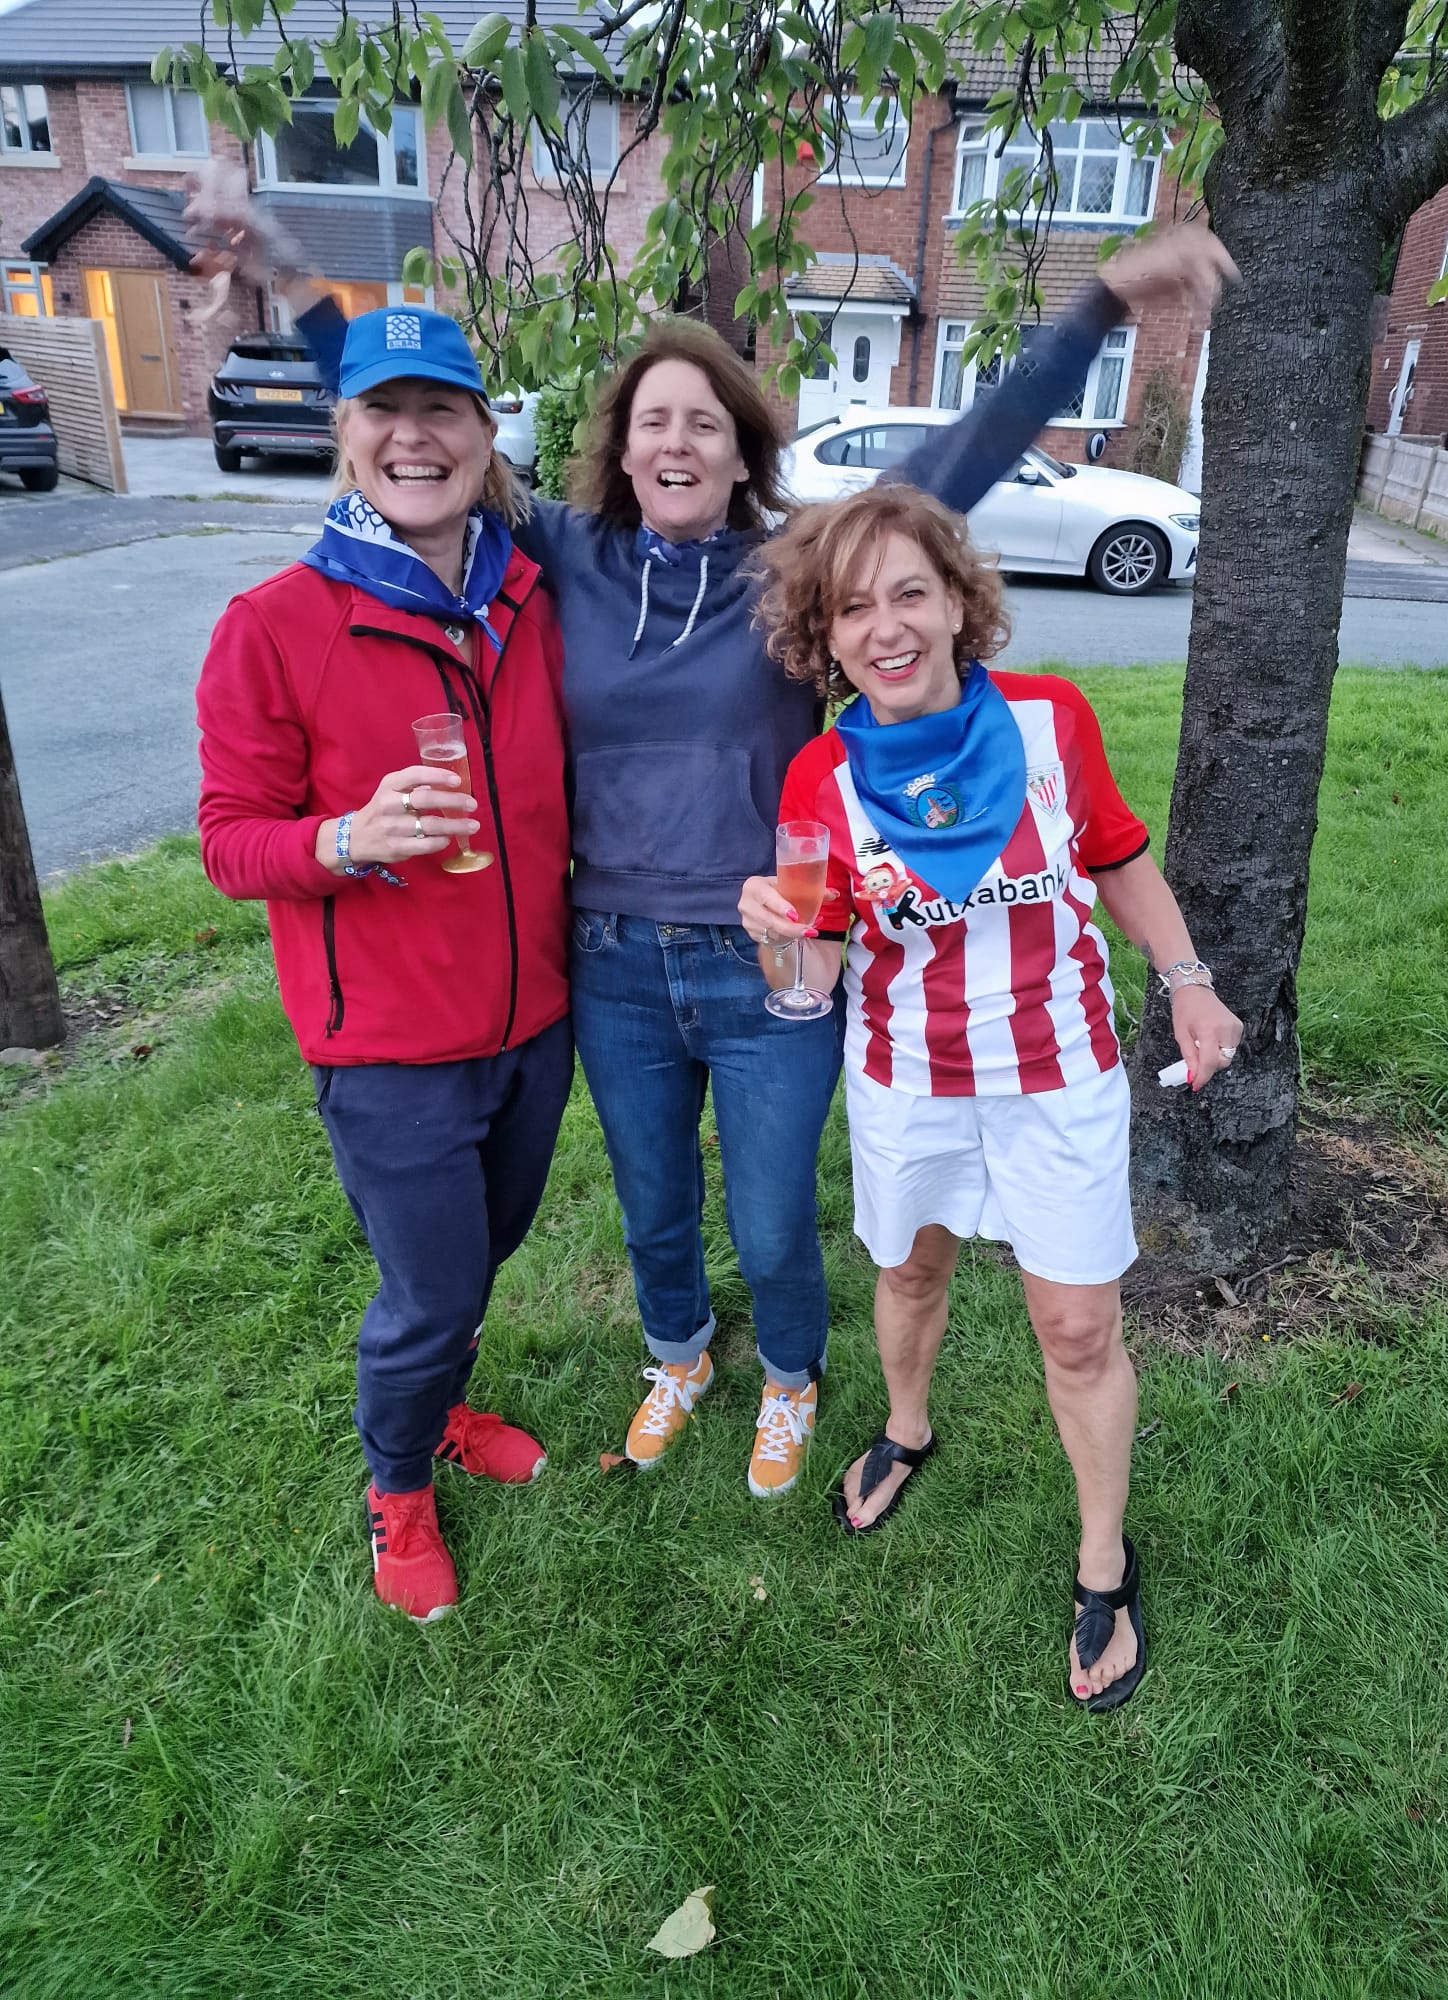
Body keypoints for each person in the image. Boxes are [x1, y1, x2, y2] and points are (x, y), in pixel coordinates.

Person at [192, 180, 1231, 1504]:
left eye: (704, 422)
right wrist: (281, 266)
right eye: (652, 422)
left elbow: (969, 451)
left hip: (768, 958)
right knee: (654, 1200)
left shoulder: (797, 564)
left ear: (743, 453)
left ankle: (791, 1373)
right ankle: (677, 1352)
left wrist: (1102, 303)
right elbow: (415, 428)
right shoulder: (559, 553)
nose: (676, 442)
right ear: (620, 452)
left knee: (771, 1210)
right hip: (611, 956)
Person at [739, 478, 1243, 1713]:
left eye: (910, 592)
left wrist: (1186, 980)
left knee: (1077, 1329)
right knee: (911, 1272)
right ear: (827, 636)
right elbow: (814, 967)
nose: (886, 627)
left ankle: (1104, 1560)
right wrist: (776, 938)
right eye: (853, 607)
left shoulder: (1048, 720)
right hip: (906, 1079)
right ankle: (907, 1425)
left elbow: (1115, 852)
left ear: (960, 604)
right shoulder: (822, 776)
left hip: (1056, 1077)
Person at [196, 304, 573, 1624]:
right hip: (390, 1050)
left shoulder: (526, 595)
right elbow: (229, 842)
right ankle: (397, 1485)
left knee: (490, 1250)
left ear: (484, 432)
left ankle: (444, 1408)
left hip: (533, 1024)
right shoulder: (274, 624)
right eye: (383, 412)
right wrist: (344, 837)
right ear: (344, 435)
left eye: (442, 410)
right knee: (429, 1290)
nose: (415, 437)